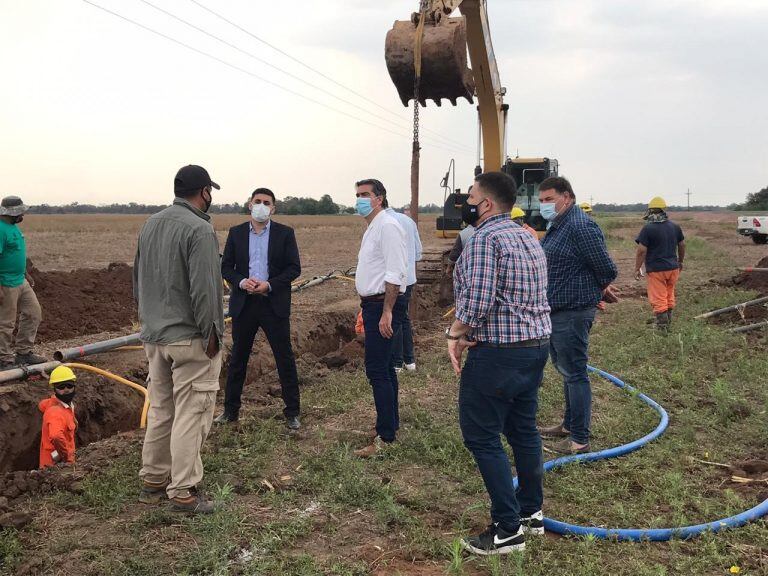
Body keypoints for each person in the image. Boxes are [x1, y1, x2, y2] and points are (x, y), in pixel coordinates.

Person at [447, 172, 551, 555]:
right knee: (523, 430)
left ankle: (507, 531)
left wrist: (454, 336)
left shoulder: (484, 240)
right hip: (534, 347)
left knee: (482, 435)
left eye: (470, 197)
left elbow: (476, 301)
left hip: (499, 354)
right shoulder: (526, 235)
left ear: (485, 204)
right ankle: (530, 514)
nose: (466, 203)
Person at [133, 164, 224, 515]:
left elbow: (137, 280)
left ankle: (153, 480)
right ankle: (183, 491)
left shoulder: (151, 224)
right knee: (193, 412)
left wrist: (148, 321)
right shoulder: (199, 229)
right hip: (190, 339)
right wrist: (212, 333)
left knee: (161, 409)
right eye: (209, 192)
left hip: (154, 337)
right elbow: (206, 289)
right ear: (204, 192)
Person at [538, 177, 618, 455]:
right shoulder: (558, 225)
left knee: (575, 372)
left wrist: (595, 290)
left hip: (573, 310)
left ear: (567, 197)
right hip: (558, 309)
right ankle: (569, 425)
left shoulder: (581, 226)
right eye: (541, 200)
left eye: (549, 199)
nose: (544, 205)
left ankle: (579, 439)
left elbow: (606, 268)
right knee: (566, 370)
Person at [216, 188, 302, 429]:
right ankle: (230, 411)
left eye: (267, 202)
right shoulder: (236, 233)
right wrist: (242, 282)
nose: (261, 206)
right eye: (258, 201)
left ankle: (292, 412)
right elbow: (226, 267)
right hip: (244, 305)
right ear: (249, 205)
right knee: (238, 360)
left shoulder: (285, 234)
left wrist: (269, 285)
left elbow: (294, 268)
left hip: (273, 304)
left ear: (273, 208)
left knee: (284, 358)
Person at [353, 179, 408, 457]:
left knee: (377, 369)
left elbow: (395, 272)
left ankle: (385, 437)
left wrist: (386, 311)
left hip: (383, 305)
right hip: (373, 304)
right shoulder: (374, 226)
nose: (360, 199)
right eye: (358, 195)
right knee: (385, 368)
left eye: (365, 195)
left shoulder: (387, 226)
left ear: (380, 198)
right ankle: (389, 424)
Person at [0, 196, 45, 370]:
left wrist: (26, 273)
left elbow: (17, 253)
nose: (23, 215)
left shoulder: (13, 228)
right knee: (6, 323)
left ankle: (24, 352)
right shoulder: (1, 229)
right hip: (6, 283)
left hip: (20, 281)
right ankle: (3, 359)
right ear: (11, 212)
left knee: (34, 313)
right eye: (20, 212)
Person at [634, 196, 685, 330]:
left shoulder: (648, 229)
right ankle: (667, 321)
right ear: (664, 210)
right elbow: (682, 244)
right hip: (673, 268)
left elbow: (641, 251)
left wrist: (637, 268)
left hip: (656, 270)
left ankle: (662, 326)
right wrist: (680, 261)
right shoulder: (675, 226)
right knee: (669, 294)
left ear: (650, 211)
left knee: (659, 297)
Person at [385, 206, 422, 372]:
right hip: (409, 277)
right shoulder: (408, 221)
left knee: (395, 320)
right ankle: (410, 361)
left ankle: (397, 363)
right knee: (403, 318)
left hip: (394, 280)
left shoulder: (383, 223)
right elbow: (418, 252)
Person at [39, 366, 78, 469]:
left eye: (69, 385)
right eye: (61, 387)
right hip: (54, 468)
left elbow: (42, 405)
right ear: (54, 389)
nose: (66, 390)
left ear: (74, 385)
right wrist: (66, 458)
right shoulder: (55, 412)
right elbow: (56, 436)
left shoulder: (62, 404)